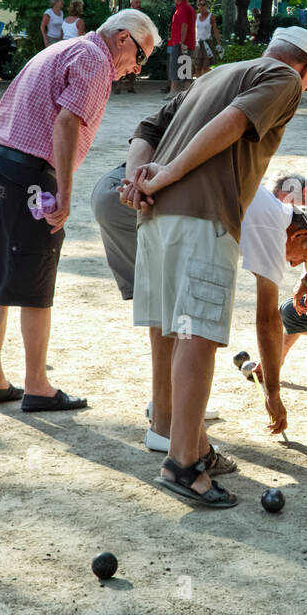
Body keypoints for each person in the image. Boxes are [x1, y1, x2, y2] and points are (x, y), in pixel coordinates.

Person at [123, 26, 307, 508]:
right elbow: (236, 123)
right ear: (306, 67)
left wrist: (141, 176)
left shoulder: (215, 75)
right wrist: (171, 173)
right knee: (198, 334)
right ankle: (182, 466)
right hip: (204, 214)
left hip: (155, 216)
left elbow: (147, 129)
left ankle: (191, 444)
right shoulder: (283, 78)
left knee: (169, 329)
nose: (306, 91)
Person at [0, 8, 160, 413]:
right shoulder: (94, 59)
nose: (136, 68)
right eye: (140, 55)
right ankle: (37, 386)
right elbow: (67, 123)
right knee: (35, 282)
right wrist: (65, 193)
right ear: (122, 37)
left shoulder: (67, 48)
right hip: (27, 173)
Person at [89, 88, 221, 452]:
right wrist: (135, 186)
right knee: (174, 312)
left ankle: (167, 408)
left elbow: (144, 129)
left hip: (113, 189)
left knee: (165, 310)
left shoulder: (195, 96)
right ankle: (165, 421)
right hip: (135, 199)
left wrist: (131, 182)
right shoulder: (235, 107)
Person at [240, 178, 307, 425]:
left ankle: (164, 413)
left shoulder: (274, 219)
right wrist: (273, 393)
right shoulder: (273, 230)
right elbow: (267, 319)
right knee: (291, 310)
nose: (295, 265)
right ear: (299, 235)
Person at [167, 0, 196, 93]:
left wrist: (182, 42)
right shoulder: (189, 8)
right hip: (185, 42)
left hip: (181, 42)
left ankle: (173, 91)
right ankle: (186, 92)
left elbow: (184, 25)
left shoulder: (182, 8)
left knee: (175, 65)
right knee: (186, 66)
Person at [192, 0, 221, 76]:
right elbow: (192, 30)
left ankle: (214, 79)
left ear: (207, 6)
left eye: (203, 4)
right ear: (197, 6)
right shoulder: (196, 16)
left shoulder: (211, 16)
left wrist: (219, 43)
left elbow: (215, 30)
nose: (201, 6)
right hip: (198, 44)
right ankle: (199, 86)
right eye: (199, 4)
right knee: (197, 67)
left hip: (207, 43)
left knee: (205, 67)